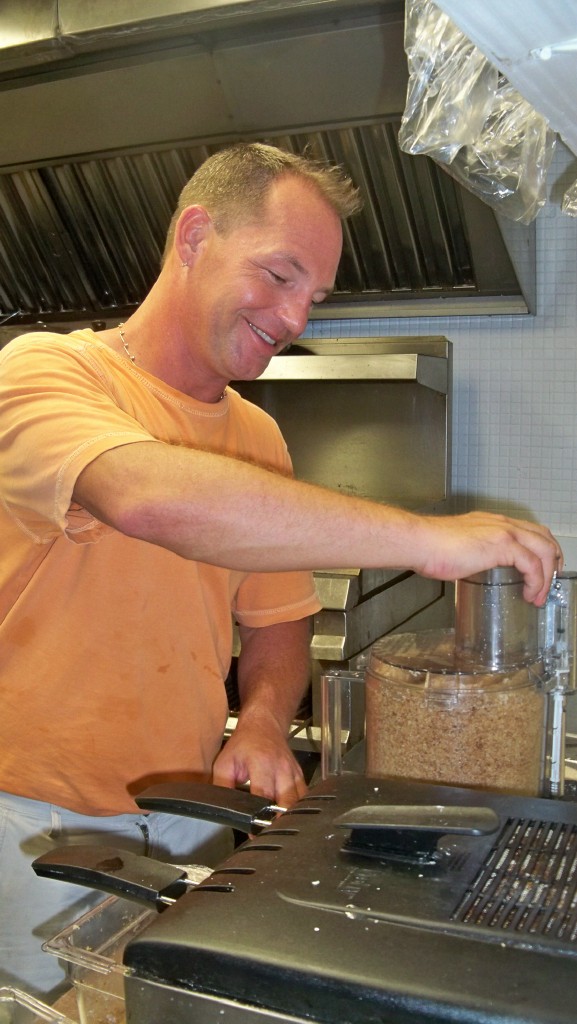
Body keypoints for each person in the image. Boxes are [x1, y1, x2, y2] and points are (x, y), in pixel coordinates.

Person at [0, 142, 561, 998]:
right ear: (193, 236)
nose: (296, 315)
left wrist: (261, 722)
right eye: (279, 274)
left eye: (315, 295)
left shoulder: (257, 439)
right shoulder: (46, 371)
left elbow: (277, 622)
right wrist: (424, 538)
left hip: (185, 814)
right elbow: (147, 498)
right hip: (29, 819)